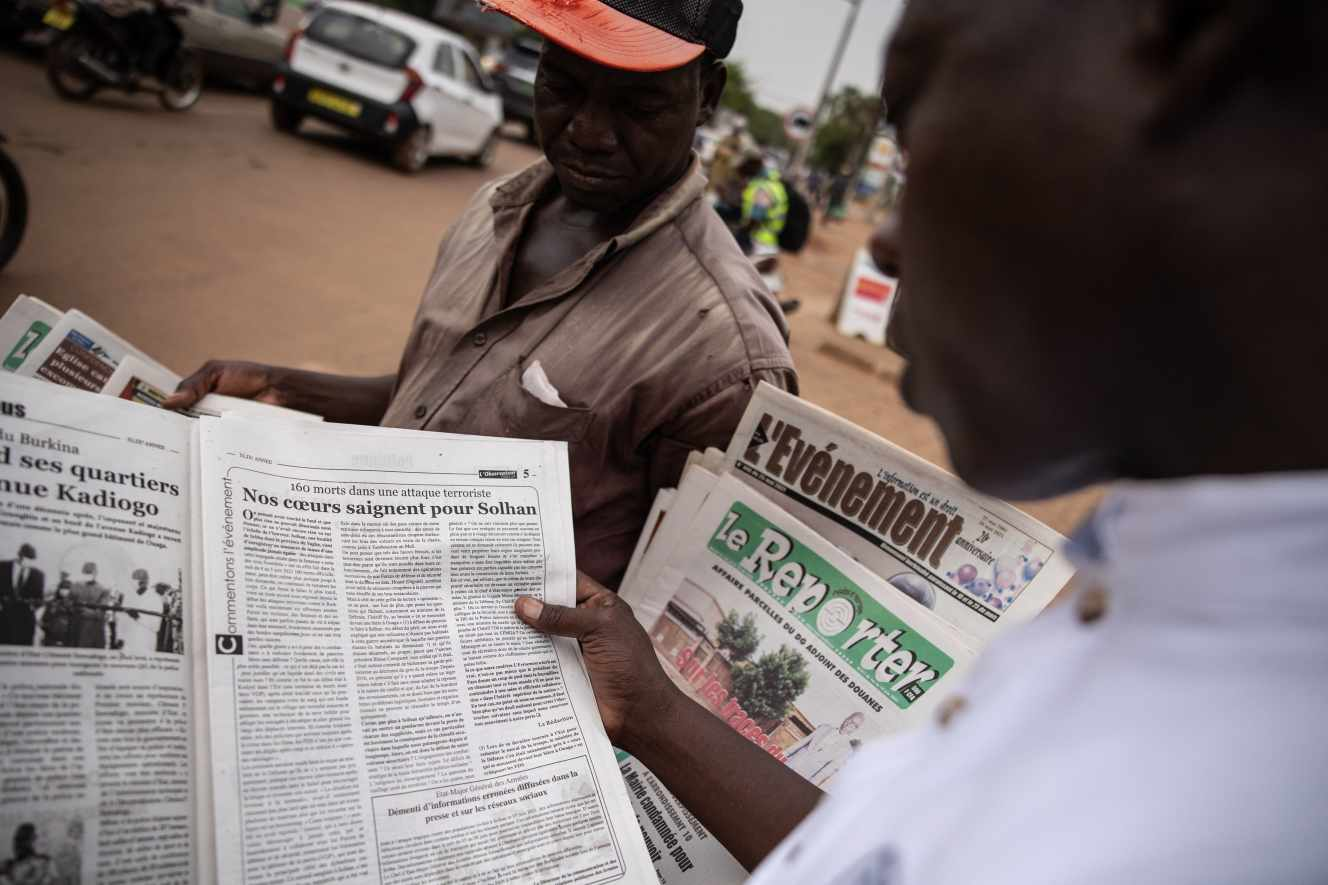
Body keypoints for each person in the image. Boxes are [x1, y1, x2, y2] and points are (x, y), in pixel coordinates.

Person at [512, 0, 1328, 881]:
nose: (888, 246)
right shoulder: (1160, 598)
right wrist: (659, 716)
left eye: (921, 154)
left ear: (1200, 73)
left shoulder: (1250, 794)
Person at [166, 0, 796, 591]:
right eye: (562, 87)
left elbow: (678, 603)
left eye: (638, 107)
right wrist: (282, 389)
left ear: (706, 97)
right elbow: (442, 401)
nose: (587, 132)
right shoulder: (493, 209)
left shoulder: (725, 351)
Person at [784, 712, 864, 787]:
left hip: (803, 776)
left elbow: (825, 772)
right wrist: (783, 754)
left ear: (855, 729)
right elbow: (801, 743)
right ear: (846, 718)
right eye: (851, 720)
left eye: (855, 725)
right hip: (791, 762)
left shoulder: (846, 749)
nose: (850, 724)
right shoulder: (824, 727)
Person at [734, 154, 789, 256]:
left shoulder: (762, 188)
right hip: (768, 242)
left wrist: (740, 233)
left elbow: (756, 217)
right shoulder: (776, 186)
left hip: (757, 243)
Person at [0, 543, 44, 646]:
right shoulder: (2, 567)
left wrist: (33, 606)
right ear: (20, 555)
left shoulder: (39, 575)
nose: (29, 563)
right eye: (27, 559)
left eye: (32, 560)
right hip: (3, 617)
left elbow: (39, 598)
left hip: (25, 621)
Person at [70, 563, 111, 650]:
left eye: (90, 573)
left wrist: (83, 610)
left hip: (95, 630)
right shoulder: (75, 586)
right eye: (85, 573)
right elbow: (69, 604)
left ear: (95, 573)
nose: (88, 575)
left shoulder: (103, 590)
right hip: (77, 628)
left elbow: (100, 612)